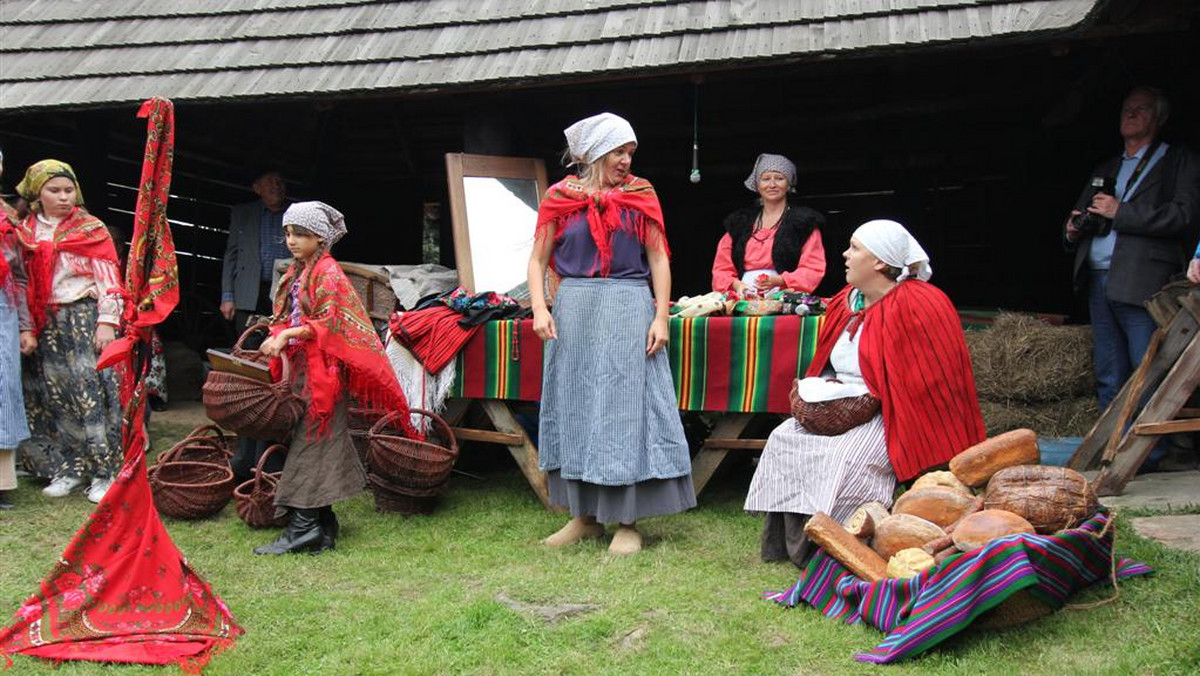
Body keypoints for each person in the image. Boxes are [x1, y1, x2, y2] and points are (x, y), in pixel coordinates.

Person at [744, 219, 984, 568]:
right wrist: (825, 391)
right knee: (784, 437)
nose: (845, 253)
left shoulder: (921, 303)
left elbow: (933, 382)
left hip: (891, 413)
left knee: (845, 456)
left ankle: (845, 543)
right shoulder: (847, 300)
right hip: (842, 402)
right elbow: (825, 360)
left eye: (855, 248)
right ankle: (792, 544)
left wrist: (876, 398)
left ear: (879, 262)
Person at [528, 112, 696, 556]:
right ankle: (583, 518)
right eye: (619, 151)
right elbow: (537, 259)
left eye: (629, 153)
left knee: (625, 408)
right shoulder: (560, 196)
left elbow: (659, 258)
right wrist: (540, 307)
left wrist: (661, 316)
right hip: (576, 309)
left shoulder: (641, 194)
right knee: (577, 404)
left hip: (627, 304)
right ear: (597, 152)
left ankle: (627, 520)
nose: (625, 160)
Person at [254, 201, 417, 555]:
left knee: (311, 444)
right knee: (319, 441)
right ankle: (321, 525)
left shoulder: (328, 273)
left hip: (324, 376)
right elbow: (291, 315)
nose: (291, 240)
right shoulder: (299, 272)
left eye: (300, 233)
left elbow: (328, 323)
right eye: (287, 233)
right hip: (306, 371)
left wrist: (287, 335)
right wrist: (278, 332)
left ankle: (303, 528)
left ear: (320, 237)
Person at [1064, 86, 1200, 470]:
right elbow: (1082, 215)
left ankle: (1149, 454)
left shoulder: (1178, 162)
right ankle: (1112, 449)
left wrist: (1122, 212)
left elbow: (1183, 216)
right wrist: (1073, 229)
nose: (1131, 114)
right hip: (1099, 279)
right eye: (1127, 109)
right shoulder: (1106, 167)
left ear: (1159, 118)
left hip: (1144, 280)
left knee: (1147, 367)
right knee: (1109, 370)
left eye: (1140, 110)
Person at [13, 159, 123, 503]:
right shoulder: (26, 230)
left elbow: (109, 279)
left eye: (68, 190)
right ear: (36, 194)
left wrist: (107, 321)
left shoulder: (91, 228)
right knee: (53, 395)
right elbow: (22, 280)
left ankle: (104, 471)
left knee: (90, 393)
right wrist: (26, 326)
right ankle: (70, 466)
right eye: (54, 190)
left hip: (83, 317)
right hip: (45, 320)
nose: (63, 197)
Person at [220, 169, 291, 481]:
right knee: (248, 362)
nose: (276, 186)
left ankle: (272, 432)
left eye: (280, 181)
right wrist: (227, 295)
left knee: (278, 362)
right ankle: (250, 432)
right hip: (250, 292)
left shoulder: (295, 213)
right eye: (269, 182)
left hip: (283, 291)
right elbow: (231, 256)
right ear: (256, 187)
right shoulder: (244, 214)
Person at [711, 153, 825, 295]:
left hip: (786, 296)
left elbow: (812, 268)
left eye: (779, 178)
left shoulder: (803, 223)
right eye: (765, 179)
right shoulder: (739, 224)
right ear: (757, 185)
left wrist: (779, 281)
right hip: (743, 297)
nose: (772, 184)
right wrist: (737, 285)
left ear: (788, 184)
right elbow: (721, 268)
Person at [0, 150, 36, 510]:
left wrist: (26, 326)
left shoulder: (8, 220)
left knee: (2, 389)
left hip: (2, 310)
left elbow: (20, 278)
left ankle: (0, 484)